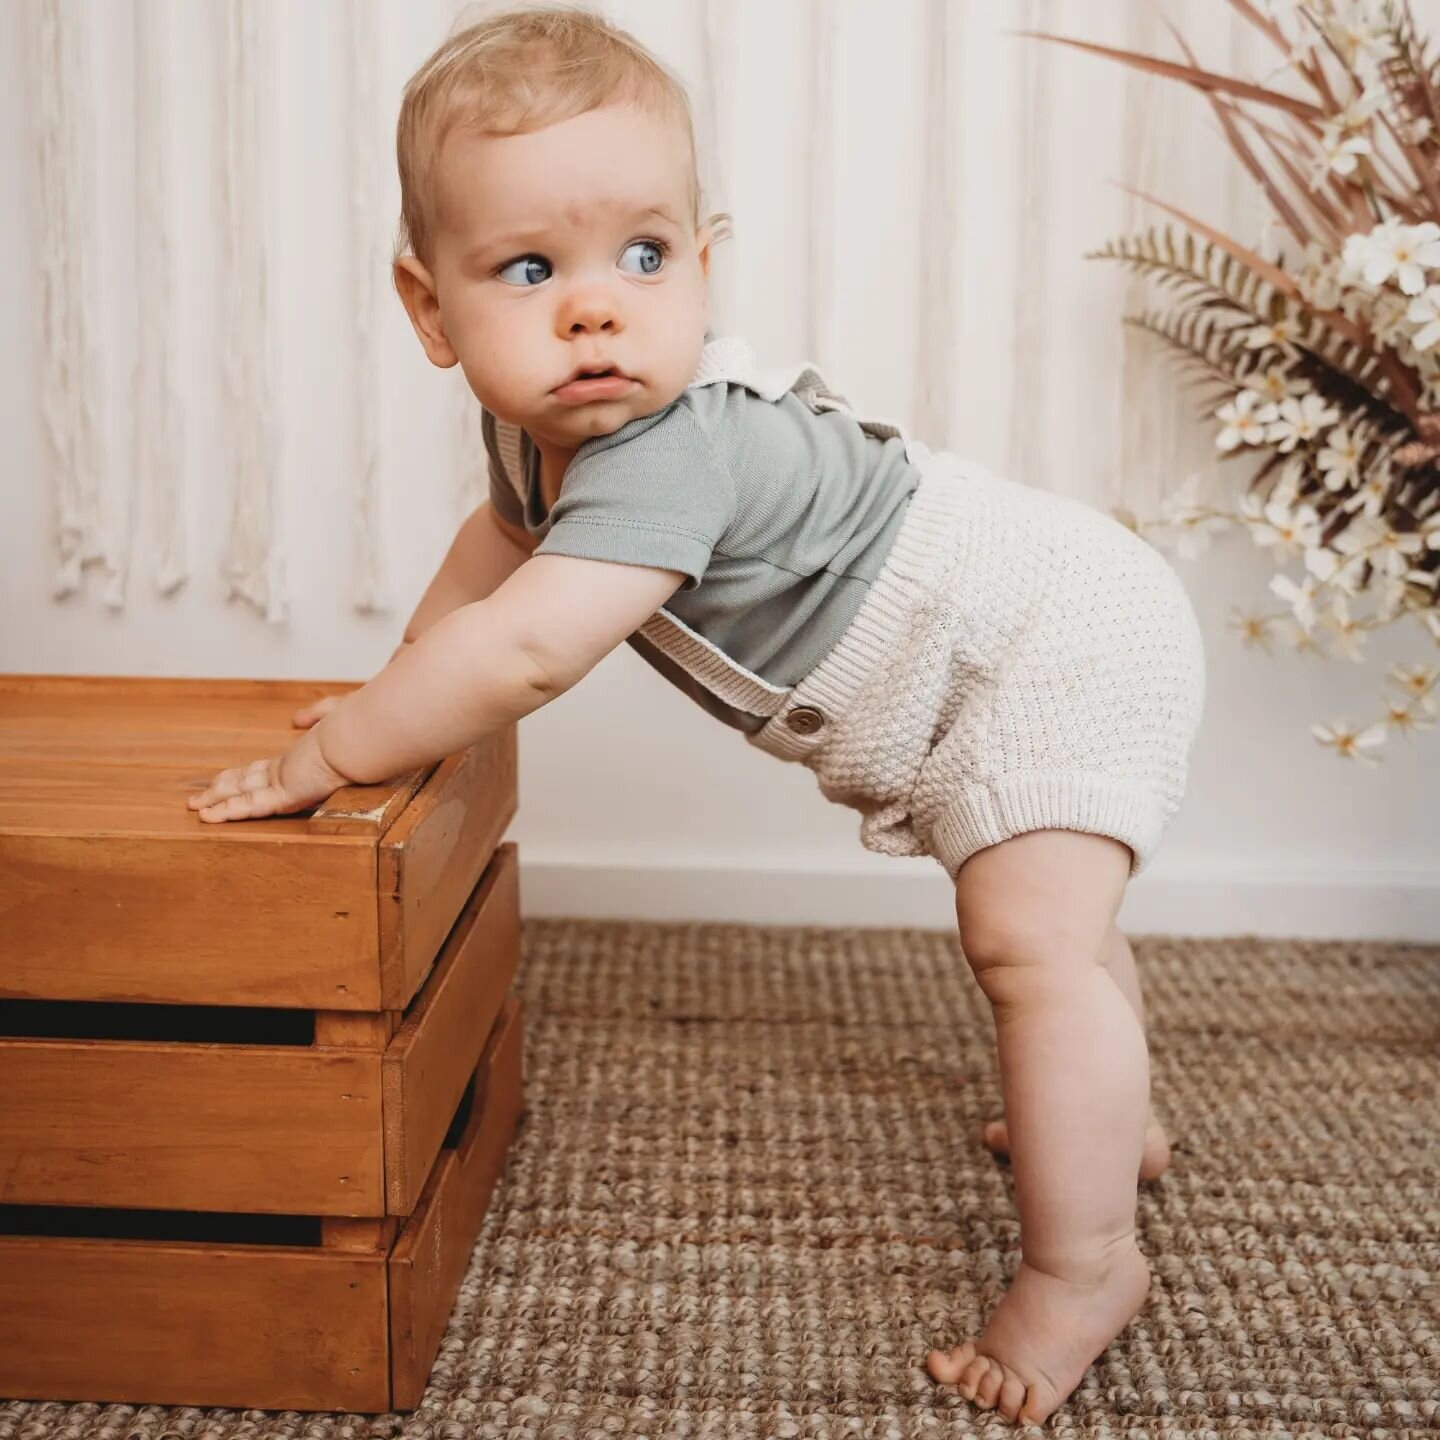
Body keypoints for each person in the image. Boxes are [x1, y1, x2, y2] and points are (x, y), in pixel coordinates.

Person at [188, 5, 1206, 1426]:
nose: (594, 308)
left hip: (1045, 635)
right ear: (432, 310)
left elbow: (534, 645)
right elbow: (497, 560)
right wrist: (399, 684)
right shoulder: (547, 432)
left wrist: (338, 750)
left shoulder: (676, 446)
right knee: (1066, 929)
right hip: (1047, 613)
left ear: (706, 265)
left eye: (644, 257)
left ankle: (1085, 1262)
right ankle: (1119, 1119)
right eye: (529, 269)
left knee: (1027, 939)